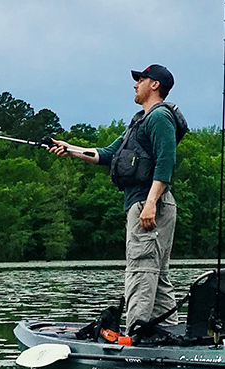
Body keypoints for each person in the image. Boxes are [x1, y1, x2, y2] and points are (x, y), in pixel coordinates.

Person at [48, 64, 187, 335]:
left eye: (141, 80)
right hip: (148, 203)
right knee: (155, 276)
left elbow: (166, 162)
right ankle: (167, 336)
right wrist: (69, 148)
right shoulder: (139, 121)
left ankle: (135, 339)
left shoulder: (159, 118)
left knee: (141, 272)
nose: (135, 85)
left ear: (154, 85)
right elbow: (108, 154)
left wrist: (149, 203)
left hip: (150, 204)